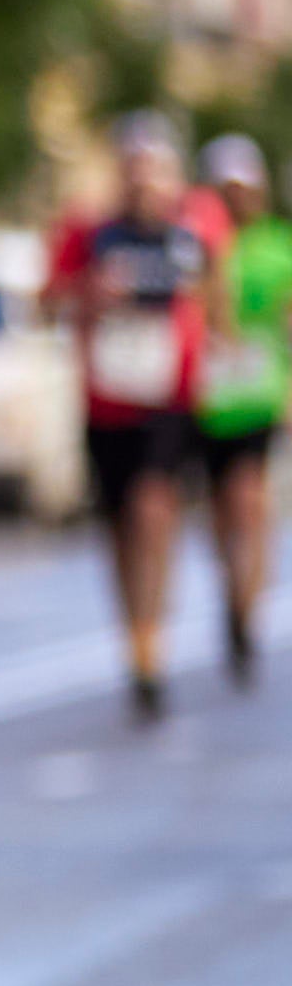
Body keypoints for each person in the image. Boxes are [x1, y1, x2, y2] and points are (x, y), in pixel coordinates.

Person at [47, 111, 215, 723]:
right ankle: (136, 640)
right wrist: (91, 292)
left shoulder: (194, 225)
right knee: (119, 527)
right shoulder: (89, 233)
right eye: (134, 168)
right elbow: (49, 298)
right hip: (106, 399)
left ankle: (155, 642)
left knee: (154, 511)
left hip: (170, 398)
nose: (145, 181)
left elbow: (217, 295)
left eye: (155, 168)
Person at [193, 132, 284, 684]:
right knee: (219, 509)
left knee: (248, 500)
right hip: (204, 398)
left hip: (257, 393)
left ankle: (247, 613)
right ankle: (232, 591)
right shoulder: (197, 240)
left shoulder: (279, 245)